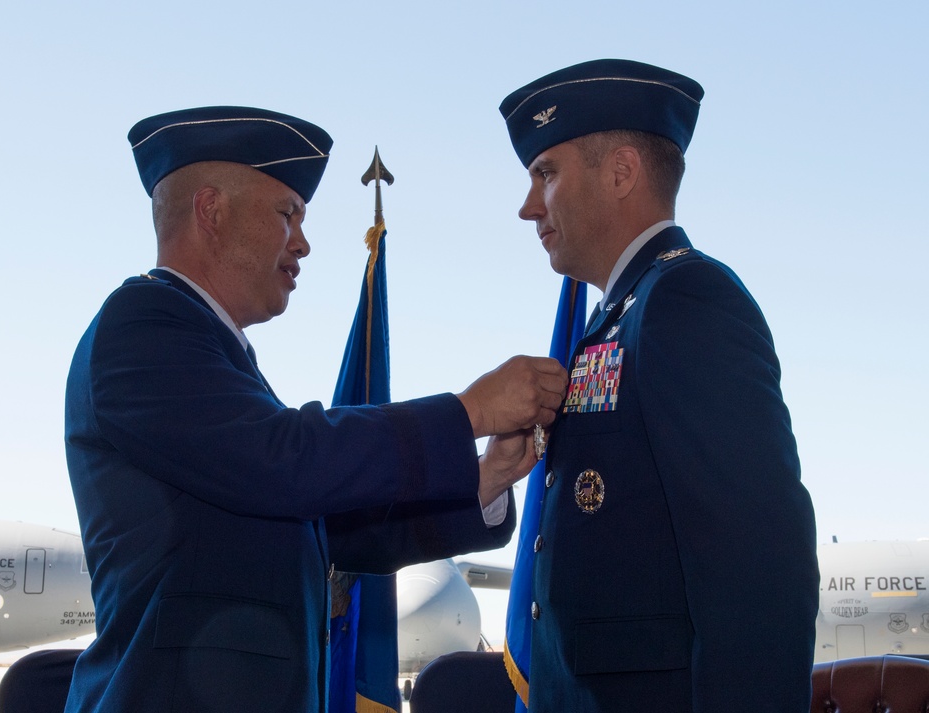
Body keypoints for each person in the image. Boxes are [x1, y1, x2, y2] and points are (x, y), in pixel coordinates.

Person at [63, 105, 568, 713]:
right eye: (287, 214)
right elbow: (283, 460)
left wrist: (482, 476)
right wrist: (469, 412)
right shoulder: (143, 326)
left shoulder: (213, 353)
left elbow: (327, 528)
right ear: (210, 211)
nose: (302, 241)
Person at [499, 60, 819, 711]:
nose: (529, 205)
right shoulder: (619, 317)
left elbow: (760, 572)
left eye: (546, 173)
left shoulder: (686, 300)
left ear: (620, 173)